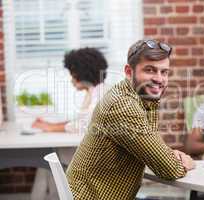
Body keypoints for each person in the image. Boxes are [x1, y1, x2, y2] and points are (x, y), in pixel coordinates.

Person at [66, 39, 195, 200]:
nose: (159, 79)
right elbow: (170, 169)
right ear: (129, 72)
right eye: (150, 70)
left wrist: (167, 155)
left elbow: (152, 146)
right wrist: (187, 162)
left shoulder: (133, 97)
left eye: (164, 72)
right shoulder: (124, 107)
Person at [31, 47, 110, 200]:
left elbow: (82, 125)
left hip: (94, 161)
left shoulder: (100, 94)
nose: (71, 79)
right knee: (47, 159)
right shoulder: (95, 92)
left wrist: (49, 127)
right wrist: (50, 125)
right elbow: (80, 120)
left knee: (46, 159)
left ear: (82, 73)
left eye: (72, 74)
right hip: (88, 154)